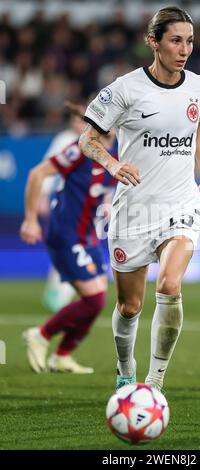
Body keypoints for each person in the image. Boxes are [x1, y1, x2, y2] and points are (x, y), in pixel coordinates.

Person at [79, 6, 200, 391]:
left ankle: (154, 382)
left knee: (170, 286)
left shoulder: (199, 86)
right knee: (130, 307)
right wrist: (110, 163)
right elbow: (86, 139)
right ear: (153, 42)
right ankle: (126, 370)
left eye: (189, 41)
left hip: (180, 203)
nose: (184, 49)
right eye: (175, 40)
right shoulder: (124, 89)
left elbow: (197, 124)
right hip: (134, 209)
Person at [20, 106, 117, 374]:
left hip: (88, 235)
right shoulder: (80, 149)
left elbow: (106, 186)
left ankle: (62, 356)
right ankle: (41, 334)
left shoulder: (117, 151)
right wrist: (30, 219)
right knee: (94, 299)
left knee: (97, 300)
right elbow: (37, 174)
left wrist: (108, 203)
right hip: (66, 233)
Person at [39, 102, 84, 312]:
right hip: (67, 203)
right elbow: (48, 168)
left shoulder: (94, 141)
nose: (79, 123)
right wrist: (42, 196)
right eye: (76, 119)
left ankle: (63, 289)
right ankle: (61, 292)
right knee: (70, 246)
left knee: (76, 246)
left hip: (86, 206)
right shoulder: (65, 140)